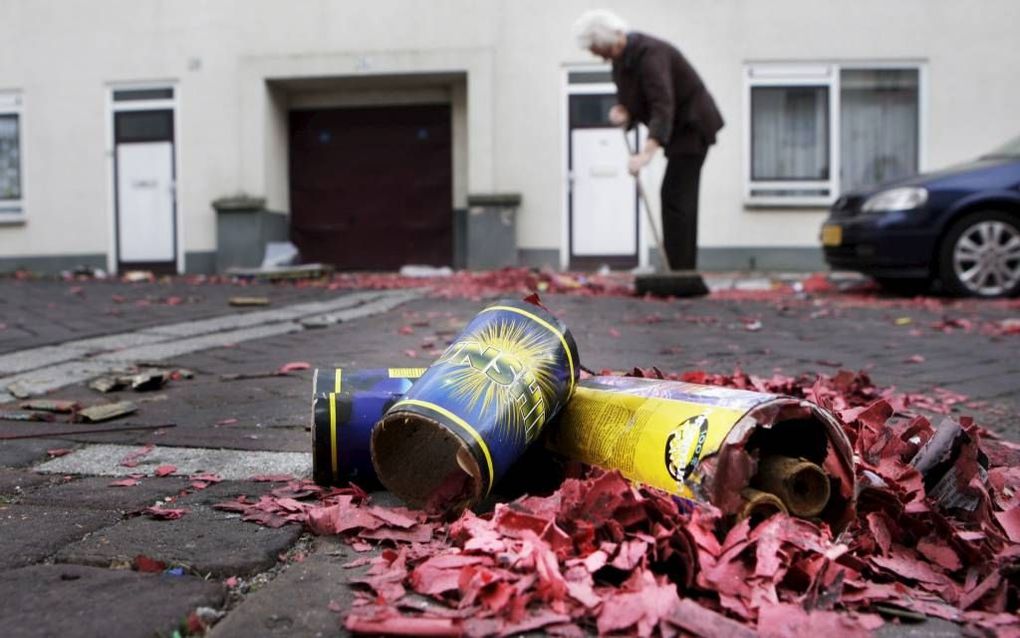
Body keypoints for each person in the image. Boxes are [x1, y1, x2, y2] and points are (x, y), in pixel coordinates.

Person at [573, 9, 724, 271]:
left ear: (608, 39)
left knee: (677, 196)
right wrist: (624, 114)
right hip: (677, 130)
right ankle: (678, 268)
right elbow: (633, 102)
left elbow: (662, 104)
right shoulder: (621, 63)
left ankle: (681, 272)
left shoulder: (650, 54)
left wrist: (645, 153)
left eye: (596, 49)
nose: (596, 55)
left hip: (693, 125)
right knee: (674, 196)